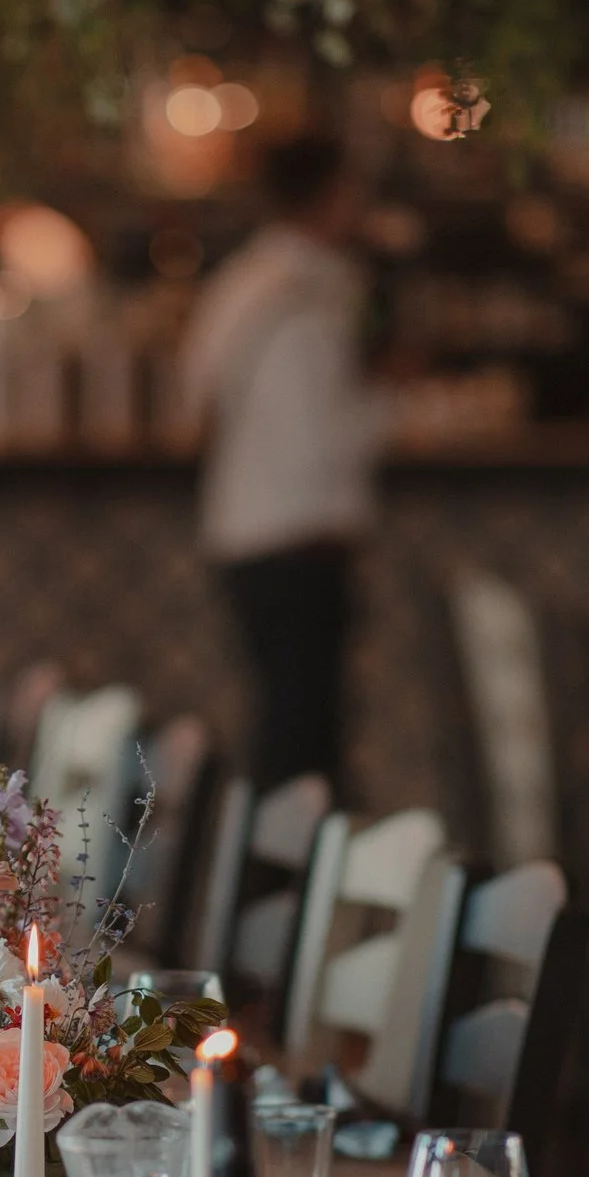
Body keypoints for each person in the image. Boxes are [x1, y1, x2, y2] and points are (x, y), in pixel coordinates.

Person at [173, 134, 389, 789]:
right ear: (329, 194)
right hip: (297, 537)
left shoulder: (238, 283)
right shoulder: (311, 293)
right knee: (301, 739)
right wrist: (403, 409)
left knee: (287, 725)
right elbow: (321, 435)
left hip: (243, 531)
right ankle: (290, 886)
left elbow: (192, 401)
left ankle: (277, 880)